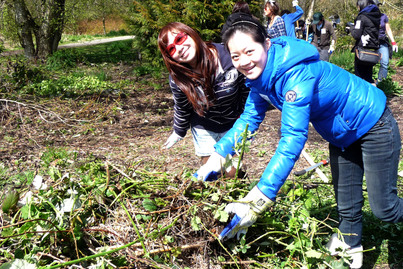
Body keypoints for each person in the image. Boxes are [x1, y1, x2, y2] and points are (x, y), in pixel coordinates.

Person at [195, 12, 403, 269]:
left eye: (249, 51)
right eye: (235, 56)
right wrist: (219, 154)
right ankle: (350, 250)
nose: (244, 62)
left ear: (267, 44)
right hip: (342, 134)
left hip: (374, 124)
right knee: (346, 205)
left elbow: (292, 139)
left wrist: (257, 200)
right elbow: (249, 117)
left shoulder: (295, 74)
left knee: (386, 209)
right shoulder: (262, 78)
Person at [157, 22, 250, 172]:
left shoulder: (228, 56)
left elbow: (246, 89)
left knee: (233, 171)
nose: (179, 49)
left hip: (234, 124)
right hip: (204, 127)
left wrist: (245, 116)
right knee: (212, 172)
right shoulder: (178, 78)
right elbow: (182, 107)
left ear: (190, 33)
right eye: (172, 49)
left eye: (179, 39)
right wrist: (178, 131)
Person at [350, 0, 381, 84]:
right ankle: (372, 95)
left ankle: (360, 96)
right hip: (372, 50)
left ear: (361, 5)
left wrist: (351, 27)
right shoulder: (376, 17)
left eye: (358, 6)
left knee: (359, 76)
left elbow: (356, 35)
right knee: (368, 76)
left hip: (362, 51)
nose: (358, 8)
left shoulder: (362, 17)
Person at [374, 0, 399, 83]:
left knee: (385, 62)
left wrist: (393, 43)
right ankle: (367, 82)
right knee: (369, 63)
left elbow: (388, 29)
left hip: (382, 42)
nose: (377, 7)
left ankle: (381, 83)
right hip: (371, 43)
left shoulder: (383, 16)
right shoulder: (366, 17)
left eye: (378, 5)